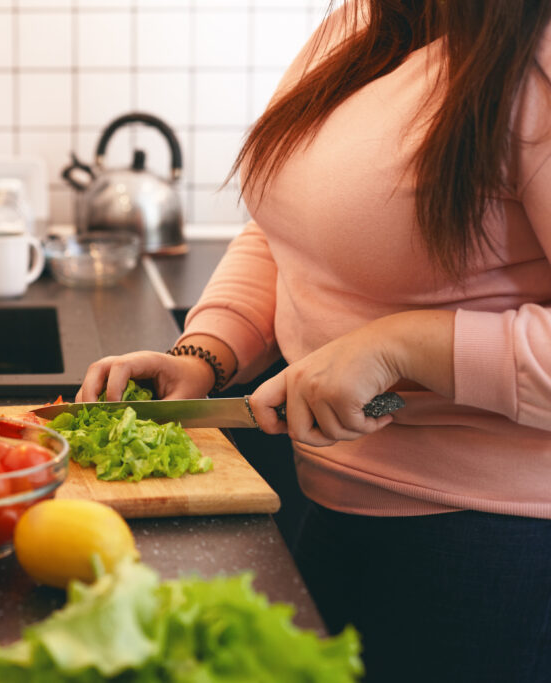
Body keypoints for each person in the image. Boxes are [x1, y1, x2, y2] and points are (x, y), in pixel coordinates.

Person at [77, 2, 551, 681]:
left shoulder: (534, 51)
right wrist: (206, 351)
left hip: (489, 550)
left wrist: (404, 345)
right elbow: (288, 230)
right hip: (332, 508)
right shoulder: (364, 21)